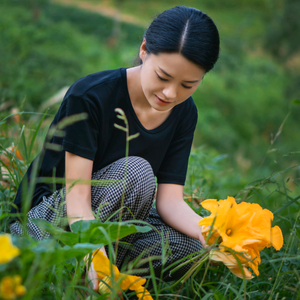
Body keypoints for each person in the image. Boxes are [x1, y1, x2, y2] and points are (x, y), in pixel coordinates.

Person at [10, 5, 220, 291]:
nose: (171, 93)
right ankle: (97, 273)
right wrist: (94, 255)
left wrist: (211, 233)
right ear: (144, 49)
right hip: (49, 222)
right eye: (163, 76)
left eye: (188, 84)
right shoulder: (92, 95)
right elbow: (78, 201)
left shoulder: (184, 112)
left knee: (191, 247)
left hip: (118, 224)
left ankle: (102, 280)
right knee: (136, 172)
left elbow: (170, 201)